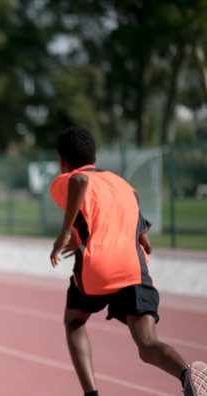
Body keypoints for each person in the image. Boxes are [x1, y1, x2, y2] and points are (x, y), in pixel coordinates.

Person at [49, 126, 206, 396]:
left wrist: (65, 235)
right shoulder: (124, 185)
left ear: (62, 161)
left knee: (74, 322)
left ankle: (91, 394)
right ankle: (186, 375)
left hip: (98, 267)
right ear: (95, 156)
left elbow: (80, 183)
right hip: (133, 268)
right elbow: (146, 243)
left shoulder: (67, 179)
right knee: (147, 343)